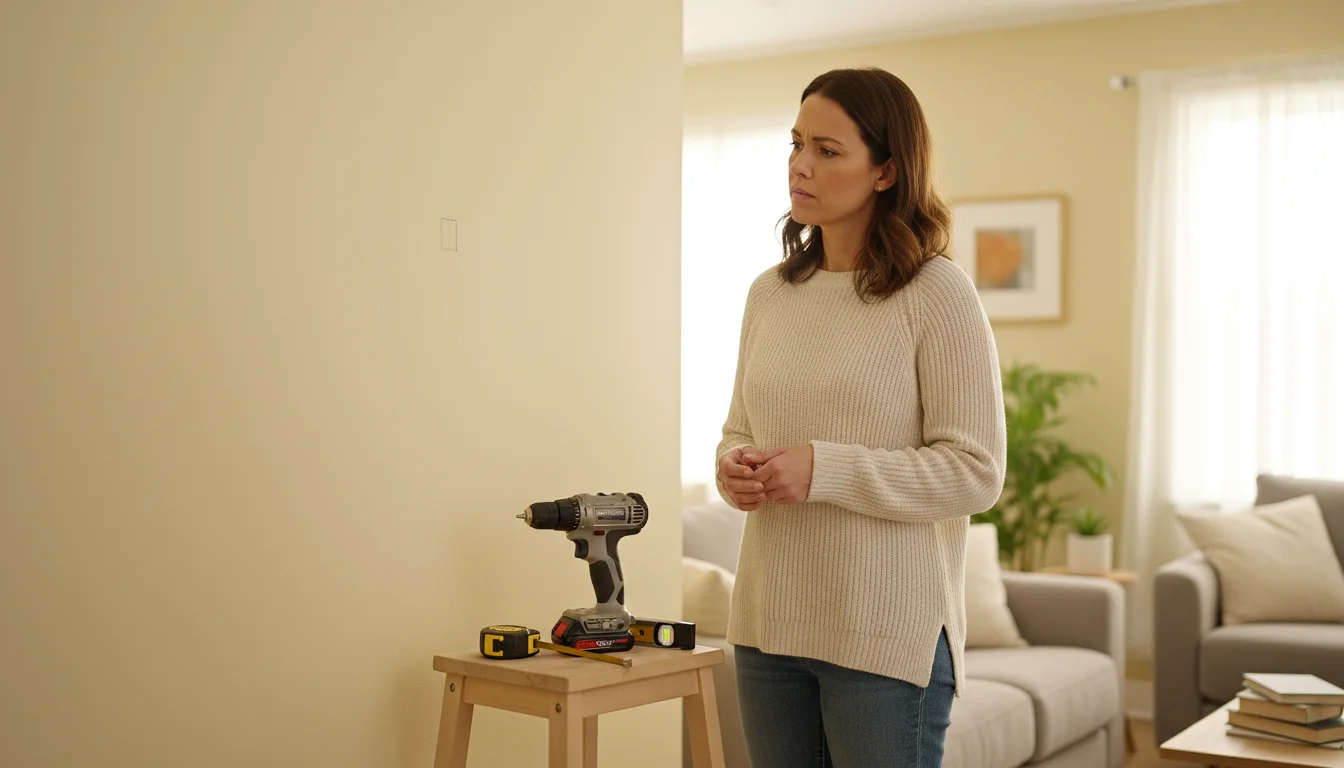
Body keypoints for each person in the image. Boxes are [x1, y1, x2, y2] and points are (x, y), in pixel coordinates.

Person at [714, 67, 1007, 767]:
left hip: (885, 637)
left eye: (827, 149)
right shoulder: (770, 294)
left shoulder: (937, 293)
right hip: (767, 628)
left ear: (886, 171)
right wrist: (734, 469)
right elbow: (739, 427)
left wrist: (825, 467)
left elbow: (976, 472)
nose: (800, 166)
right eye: (795, 144)